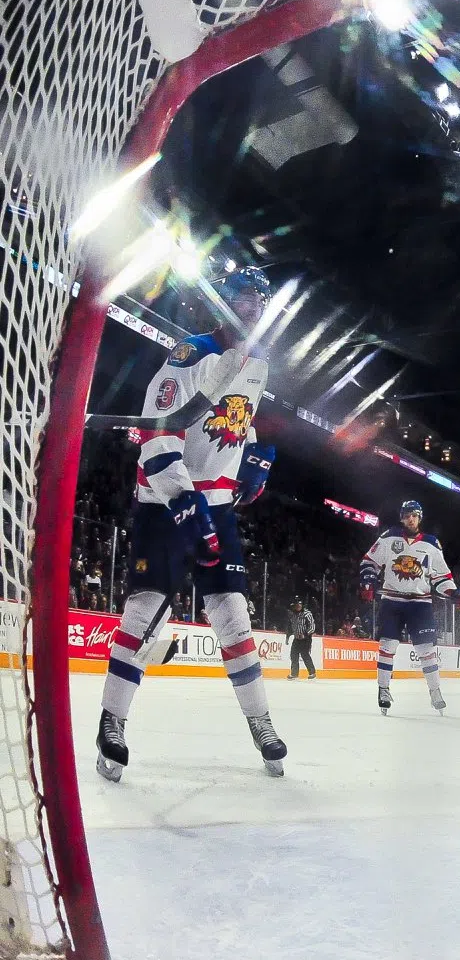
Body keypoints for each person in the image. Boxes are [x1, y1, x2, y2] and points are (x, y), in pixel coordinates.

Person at [93, 267, 287, 781]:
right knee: (144, 614)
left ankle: (260, 721)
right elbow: (157, 440)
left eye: (260, 301)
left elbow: (245, 419)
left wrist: (256, 457)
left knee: (234, 616)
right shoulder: (191, 355)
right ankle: (111, 722)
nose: (253, 309)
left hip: (218, 507)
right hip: (164, 503)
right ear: (224, 303)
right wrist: (184, 505)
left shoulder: (258, 363)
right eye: (244, 298)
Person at [359, 500, 460, 714]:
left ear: (420, 518)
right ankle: (383, 689)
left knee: (426, 650)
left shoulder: (431, 543)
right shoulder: (389, 537)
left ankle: (435, 691)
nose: (411, 518)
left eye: (415, 515)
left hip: (420, 603)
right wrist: (368, 579)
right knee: (387, 644)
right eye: (407, 515)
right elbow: (369, 562)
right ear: (401, 518)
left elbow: (441, 578)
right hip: (392, 601)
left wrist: (455, 593)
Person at [287, 597, 317, 679]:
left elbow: (312, 627)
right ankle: (294, 674)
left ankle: (312, 673)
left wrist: (305, 634)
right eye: (296, 605)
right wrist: (288, 635)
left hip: (306, 638)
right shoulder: (293, 614)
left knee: (305, 655)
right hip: (296, 638)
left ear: (302, 605)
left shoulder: (307, 614)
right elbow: (291, 626)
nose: (298, 606)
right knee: (293, 655)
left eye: (299, 604)